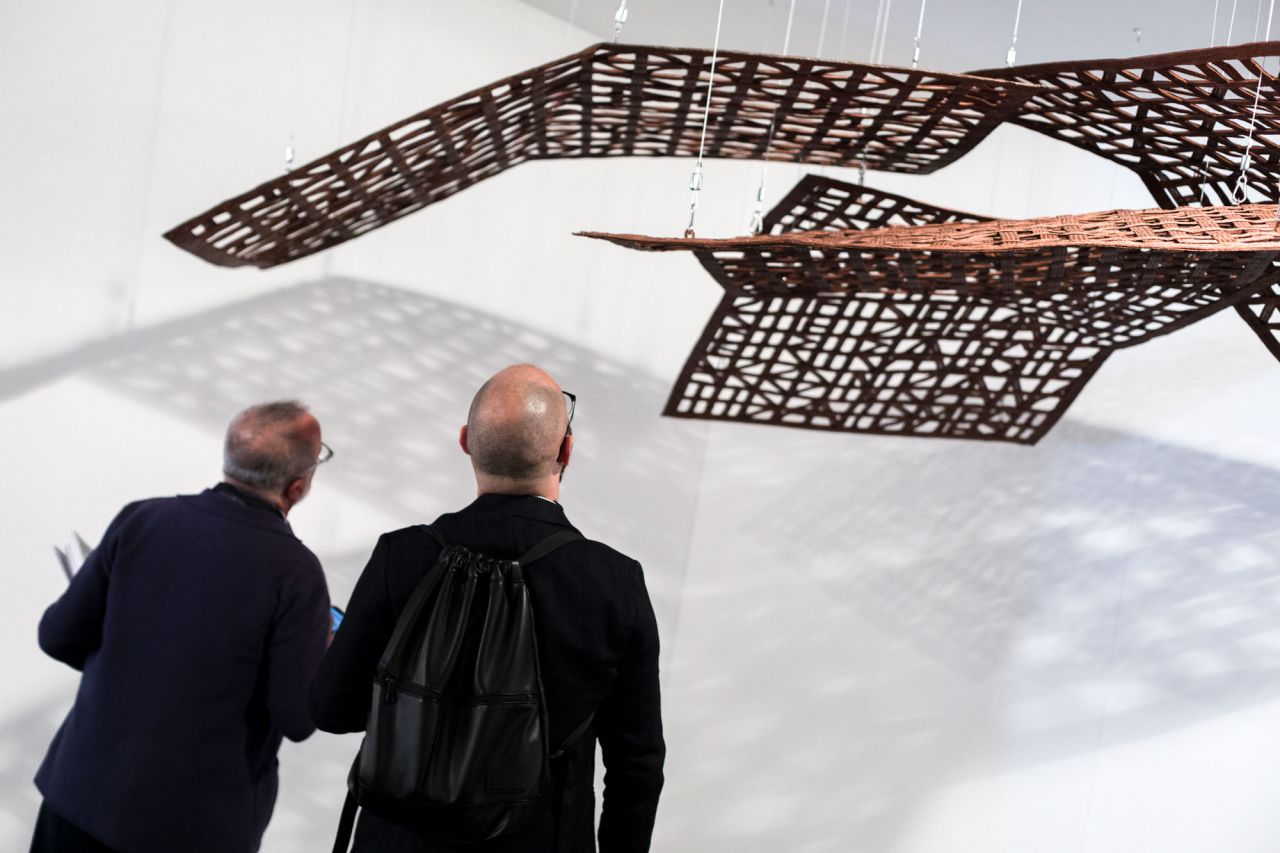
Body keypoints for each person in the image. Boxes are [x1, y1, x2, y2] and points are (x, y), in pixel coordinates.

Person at [311, 364, 665, 853]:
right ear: (566, 451)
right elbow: (636, 765)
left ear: (465, 442)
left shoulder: (402, 555)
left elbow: (332, 709)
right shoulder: (612, 582)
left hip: (397, 838)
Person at [32, 401, 333, 853]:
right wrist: (322, 651)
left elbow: (57, 636)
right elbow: (297, 717)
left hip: (82, 798)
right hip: (192, 827)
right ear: (298, 485)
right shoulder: (296, 573)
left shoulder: (141, 519)